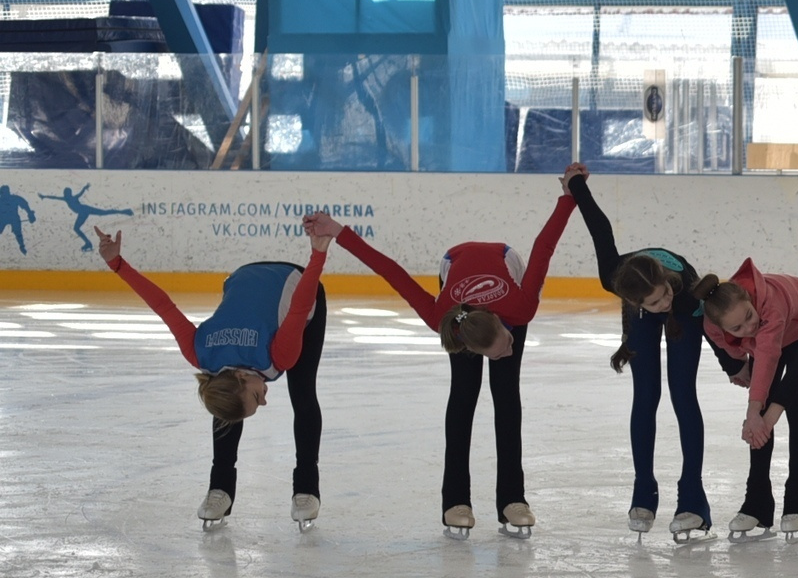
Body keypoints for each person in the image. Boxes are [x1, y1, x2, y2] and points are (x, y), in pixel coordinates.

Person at [329, 187, 576, 535]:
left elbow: (543, 246)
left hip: (504, 261)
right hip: (454, 265)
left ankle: (512, 500)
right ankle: (455, 501)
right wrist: (338, 231)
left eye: (507, 344)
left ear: (506, 328)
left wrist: (569, 196)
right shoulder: (443, 317)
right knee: (463, 396)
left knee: (506, 395)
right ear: (470, 346)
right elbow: (391, 271)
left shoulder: (520, 308)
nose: (508, 351)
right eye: (498, 351)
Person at [100, 213, 333, 530]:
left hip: (296, 286)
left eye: (255, 397)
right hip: (244, 280)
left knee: (302, 393)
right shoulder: (203, 354)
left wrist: (318, 253)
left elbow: (300, 304)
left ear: (241, 376)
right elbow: (164, 306)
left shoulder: (276, 353)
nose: (264, 402)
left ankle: (306, 487)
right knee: (228, 405)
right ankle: (219, 488)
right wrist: (117, 264)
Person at [564, 162, 718, 540]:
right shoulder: (615, 280)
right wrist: (576, 185)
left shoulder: (681, 292)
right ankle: (643, 489)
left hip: (689, 300)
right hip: (638, 306)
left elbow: (714, 322)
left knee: (683, 395)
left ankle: (693, 498)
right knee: (646, 394)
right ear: (635, 301)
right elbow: (601, 228)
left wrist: (733, 365)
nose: (663, 302)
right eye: (655, 301)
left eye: (663, 293)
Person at [695, 262, 798, 538]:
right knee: (760, 413)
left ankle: (797, 499)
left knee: (794, 407)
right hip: (767, 340)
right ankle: (757, 503)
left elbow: (768, 355)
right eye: (738, 326)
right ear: (722, 328)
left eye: (748, 315)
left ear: (750, 300)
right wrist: (740, 367)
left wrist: (753, 413)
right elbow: (738, 350)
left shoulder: (771, 306)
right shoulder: (712, 327)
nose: (749, 325)